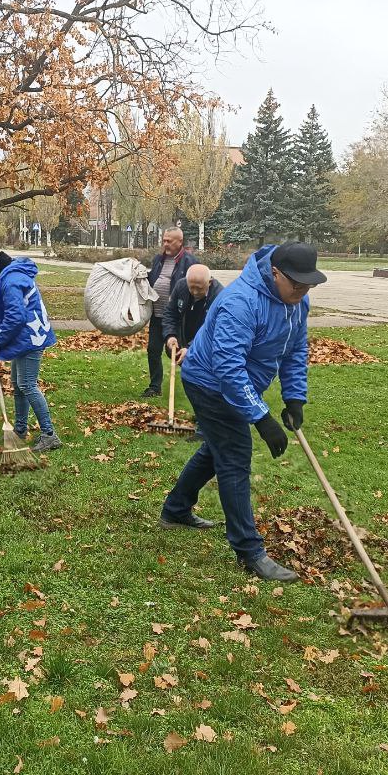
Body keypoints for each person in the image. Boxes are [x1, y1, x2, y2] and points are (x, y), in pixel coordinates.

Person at [159, 242, 326, 583]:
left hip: (239, 382)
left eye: (309, 285)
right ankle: (250, 551)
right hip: (210, 383)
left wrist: (295, 398)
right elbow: (228, 367)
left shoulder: (297, 302)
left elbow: (295, 348)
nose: (303, 291)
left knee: (215, 449)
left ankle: (175, 510)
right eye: (297, 284)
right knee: (234, 456)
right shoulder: (241, 303)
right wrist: (261, 418)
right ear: (275, 273)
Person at [0, 240, 62, 452]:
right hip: (25, 337)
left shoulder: (10, 280)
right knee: (19, 385)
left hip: (30, 337)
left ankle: (49, 434)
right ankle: (19, 429)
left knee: (27, 384)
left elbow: (15, 316)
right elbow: (11, 302)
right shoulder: (6, 275)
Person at [143, 227, 198, 397]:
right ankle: (155, 386)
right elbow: (152, 279)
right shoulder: (158, 259)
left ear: (180, 242)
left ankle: (197, 386)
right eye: (164, 240)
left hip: (177, 319)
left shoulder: (190, 262)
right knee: (153, 350)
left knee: (178, 353)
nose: (165, 244)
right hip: (157, 315)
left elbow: (196, 288)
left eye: (169, 241)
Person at [162, 263, 223, 363]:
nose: (194, 292)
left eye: (199, 288)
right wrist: (170, 335)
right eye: (191, 287)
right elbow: (170, 313)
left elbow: (212, 329)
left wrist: (191, 348)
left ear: (209, 282)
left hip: (207, 348)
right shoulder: (181, 286)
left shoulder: (219, 297)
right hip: (184, 338)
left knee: (199, 374)